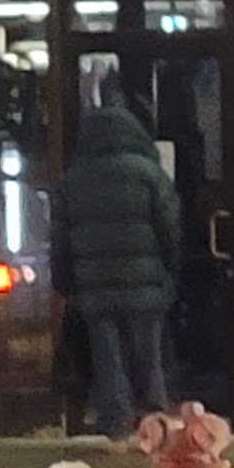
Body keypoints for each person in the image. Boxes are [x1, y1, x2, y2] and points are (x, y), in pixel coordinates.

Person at [50, 105, 180, 445]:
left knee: (109, 359)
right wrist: (169, 270)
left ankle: (118, 427)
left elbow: (60, 239)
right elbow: (170, 228)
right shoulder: (149, 173)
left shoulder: (73, 179)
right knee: (148, 357)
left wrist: (64, 282)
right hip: (145, 282)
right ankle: (155, 426)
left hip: (94, 287)